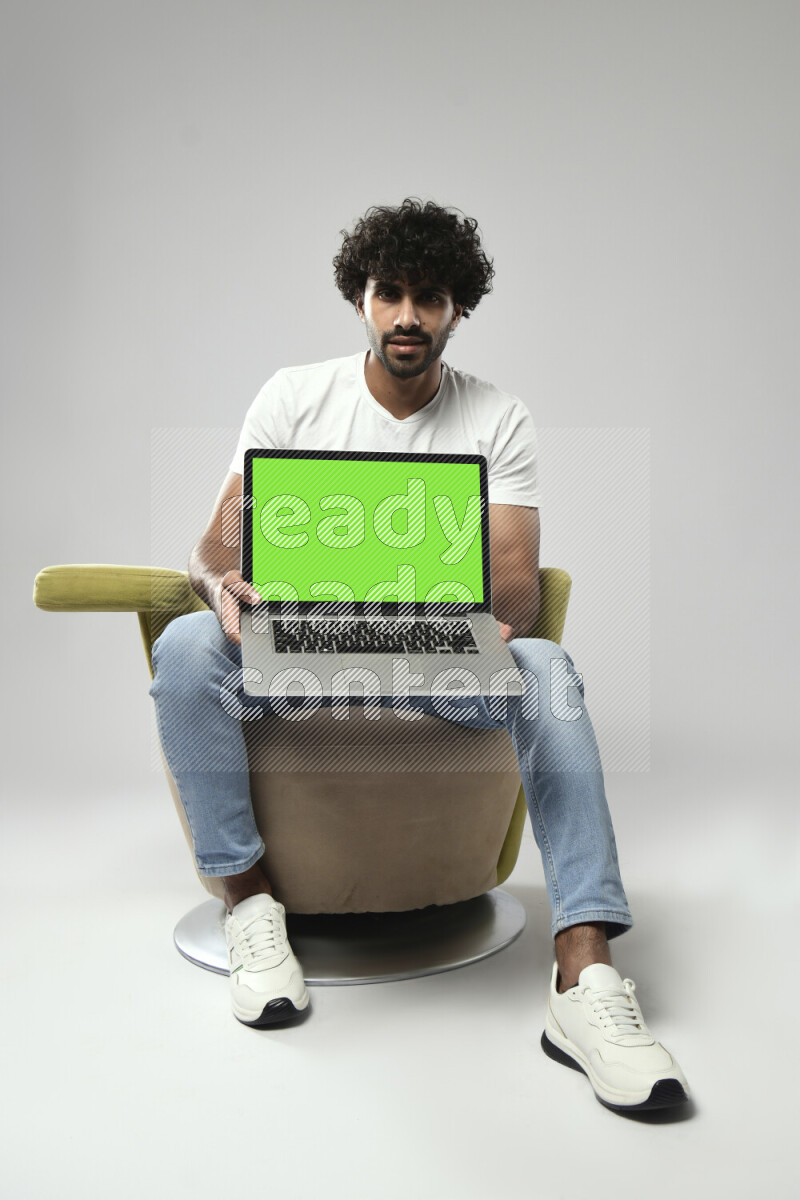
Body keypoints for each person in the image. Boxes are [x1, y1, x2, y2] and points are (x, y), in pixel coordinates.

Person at [149, 198, 689, 1113]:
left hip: (435, 653)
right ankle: (248, 905)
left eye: (429, 297)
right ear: (360, 300)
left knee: (548, 673)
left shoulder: (498, 416)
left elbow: (515, 597)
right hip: (303, 645)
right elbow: (214, 545)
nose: (407, 315)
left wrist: (420, 607)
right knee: (188, 641)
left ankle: (584, 973)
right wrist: (219, 584)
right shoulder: (293, 397)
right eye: (389, 293)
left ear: (457, 308)